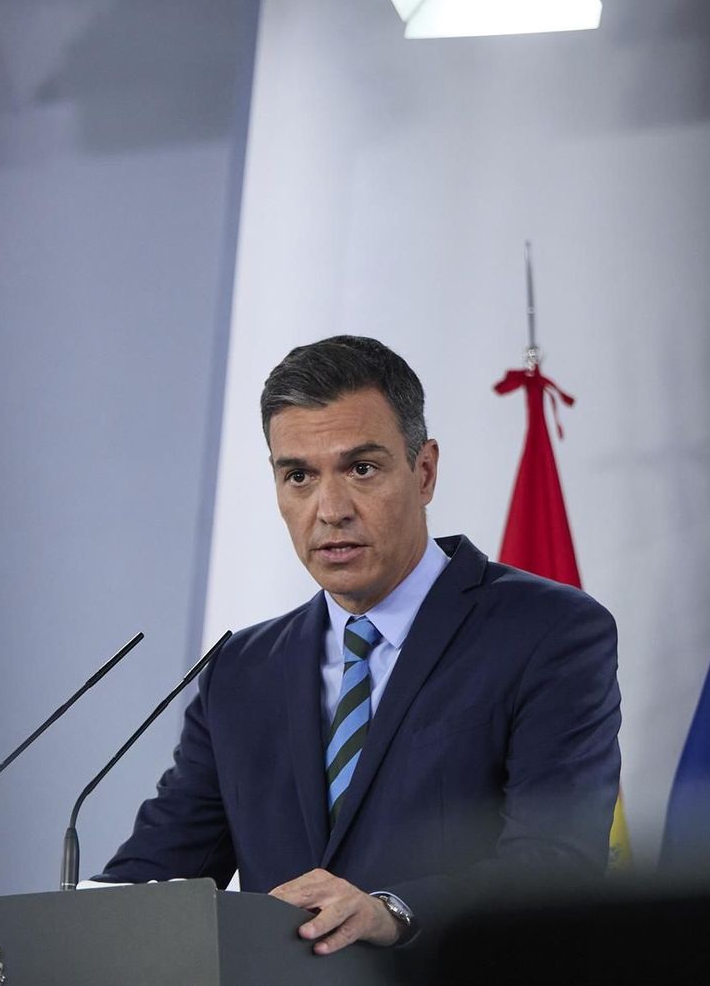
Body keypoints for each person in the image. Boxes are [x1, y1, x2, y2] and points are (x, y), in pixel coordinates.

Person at [97, 335, 621, 956]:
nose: (330, 509)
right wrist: (49, 928)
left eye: (361, 469)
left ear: (423, 471)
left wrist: (393, 911)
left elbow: (557, 864)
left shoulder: (548, 632)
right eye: (298, 476)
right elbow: (158, 877)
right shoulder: (241, 671)